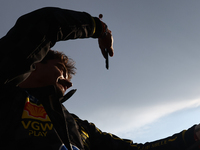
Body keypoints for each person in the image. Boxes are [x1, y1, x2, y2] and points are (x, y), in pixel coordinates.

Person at [0, 7, 200, 150]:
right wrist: (100, 29)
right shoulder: (7, 93)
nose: (69, 82)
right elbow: (43, 24)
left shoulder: (78, 126)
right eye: (61, 70)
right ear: (34, 64)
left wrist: (193, 135)